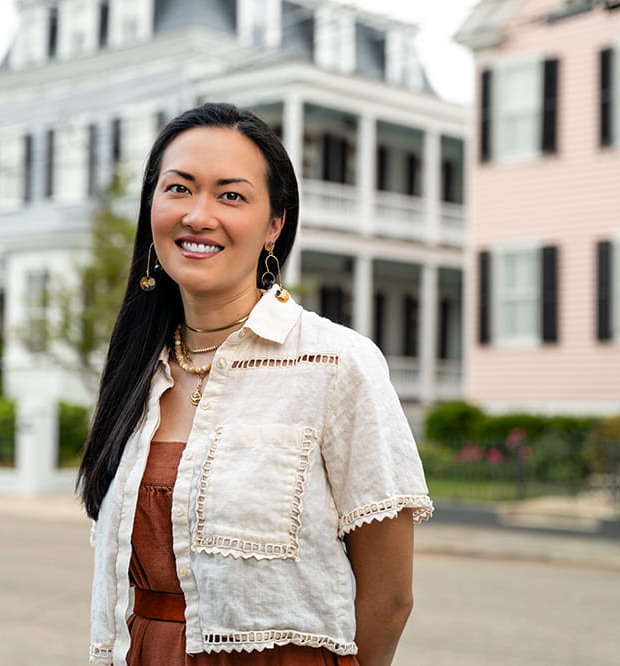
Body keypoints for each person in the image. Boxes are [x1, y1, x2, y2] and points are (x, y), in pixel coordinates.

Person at [79, 103, 432, 666]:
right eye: (178, 188)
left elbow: (390, 598)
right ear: (151, 207)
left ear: (275, 225)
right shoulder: (136, 370)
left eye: (231, 195)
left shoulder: (336, 362)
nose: (198, 215)